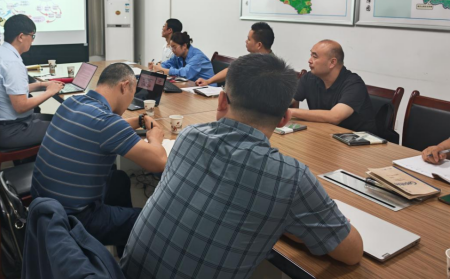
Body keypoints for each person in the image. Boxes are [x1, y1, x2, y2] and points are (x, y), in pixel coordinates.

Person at [121, 54, 363, 278]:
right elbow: (352, 253)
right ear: (284, 119)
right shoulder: (290, 178)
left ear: (222, 100)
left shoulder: (189, 135)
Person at [31, 63, 168, 251]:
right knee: (150, 221)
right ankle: (127, 260)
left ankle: (122, 250)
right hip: (73, 220)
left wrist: (139, 120)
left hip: (43, 208)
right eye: (132, 93)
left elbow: (107, 128)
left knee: (119, 179)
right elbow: (159, 162)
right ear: (124, 86)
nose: (131, 99)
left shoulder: (73, 102)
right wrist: (155, 138)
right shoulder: (107, 123)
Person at [0, 15, 64, 150]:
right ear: (21, 37)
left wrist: (42, 85)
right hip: (13, 130)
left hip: (1, 125)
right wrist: (50, 92)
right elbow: (21, 106)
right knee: (68, 127)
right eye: (32, 36)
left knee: (60, 119)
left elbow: (11, 89)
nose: (32, 41)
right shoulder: (12, 63)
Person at [289, 40, 377, 134]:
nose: (309, 60)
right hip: (325, 133)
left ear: (332, 62)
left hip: (357, 139)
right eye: (311, 55)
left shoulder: (354, 84)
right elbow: (286, 100)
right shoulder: (309, 78)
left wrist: (291, 112)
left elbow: (335, 117)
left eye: (315, 56)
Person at [196, 21, 274, 86]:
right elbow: (231, 69)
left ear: (259, 45)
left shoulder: (273, 68)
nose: (246, 41)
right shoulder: (251, 58)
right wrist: (207, 81)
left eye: (249, 39)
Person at [149, 32, 215, 83]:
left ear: (184, 46)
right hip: (192, 86)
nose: (172, 50)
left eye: (174, 47)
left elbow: (185, 73)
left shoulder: (197, 57)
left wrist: (164, 71)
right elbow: (168, 63)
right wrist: (157, 66)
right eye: (171, 47)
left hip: (208, 89)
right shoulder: (178, 55)